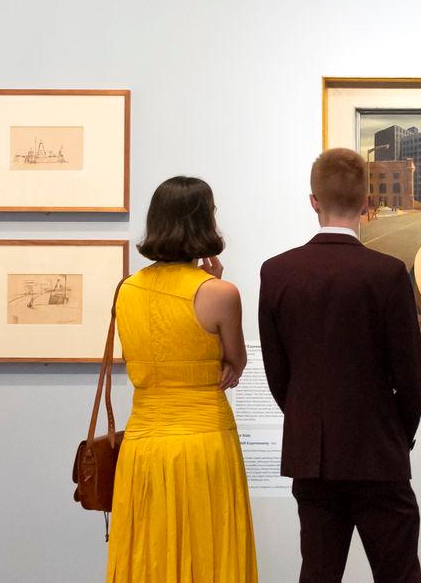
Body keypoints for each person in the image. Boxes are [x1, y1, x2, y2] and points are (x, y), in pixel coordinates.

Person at [258, 148, 421, 582]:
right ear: (367, 203)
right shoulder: (387, 273)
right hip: (378, 453)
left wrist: (306, 418)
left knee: (318, 574)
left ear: (313, 200)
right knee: (398, 574)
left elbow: (279, 375)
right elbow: (410, 375)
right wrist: (397, 435)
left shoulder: (276, 272)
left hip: (312, 456)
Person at [106, 176, 258, 582]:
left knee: (148, 553)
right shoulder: (220, 293)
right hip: (203, 442)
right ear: (205, 222)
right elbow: (236, 364)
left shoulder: (126, 290)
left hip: (143, 442)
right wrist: (215, 280)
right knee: (209, 551)